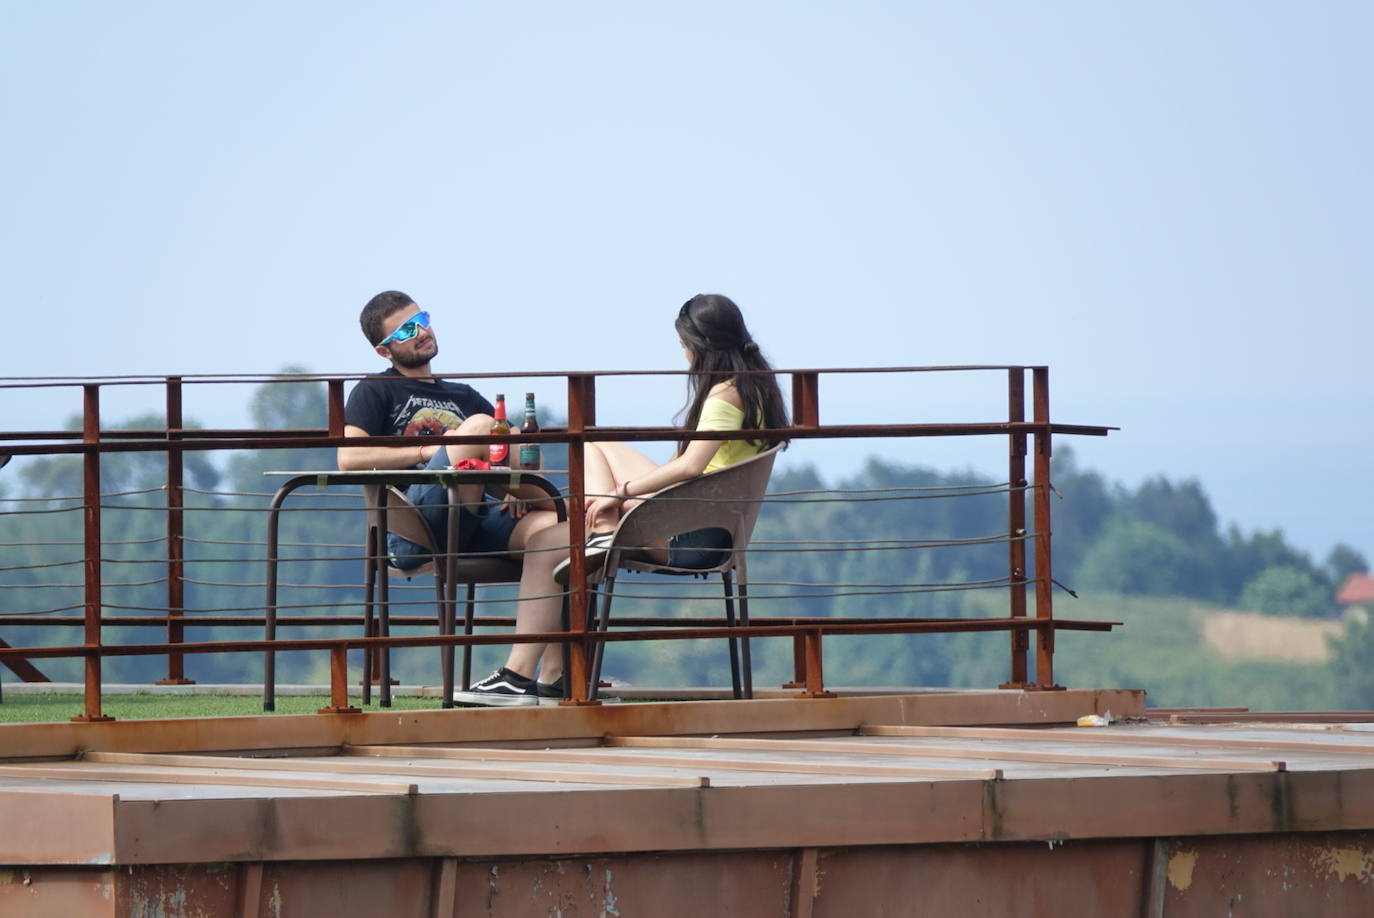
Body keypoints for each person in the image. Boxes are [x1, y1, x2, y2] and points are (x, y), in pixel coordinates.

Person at [454, 293, 789, 706]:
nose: (683, 354)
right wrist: (620, 497)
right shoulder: (756, 387)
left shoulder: (724, 394)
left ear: (700, 344)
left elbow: (690, 466)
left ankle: (517, 676)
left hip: (690, 534)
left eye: (684, 345)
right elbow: (690, 466)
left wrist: (623, 493)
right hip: (710, 524)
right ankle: (557, 670)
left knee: (545, 543)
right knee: (593, 446)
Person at [340, 291, 564, 695]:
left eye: (422, 320)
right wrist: (428, 450)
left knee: (560, 532)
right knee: (479, 426)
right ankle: (592, 509)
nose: (421, 332)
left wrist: (517, 485)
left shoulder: (463, 394)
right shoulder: (376, 390)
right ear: (384, 350)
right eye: (406, 330)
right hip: (416, 525)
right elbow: (349, 458)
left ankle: (546, 676)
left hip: (476, 517)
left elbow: (521, 447)